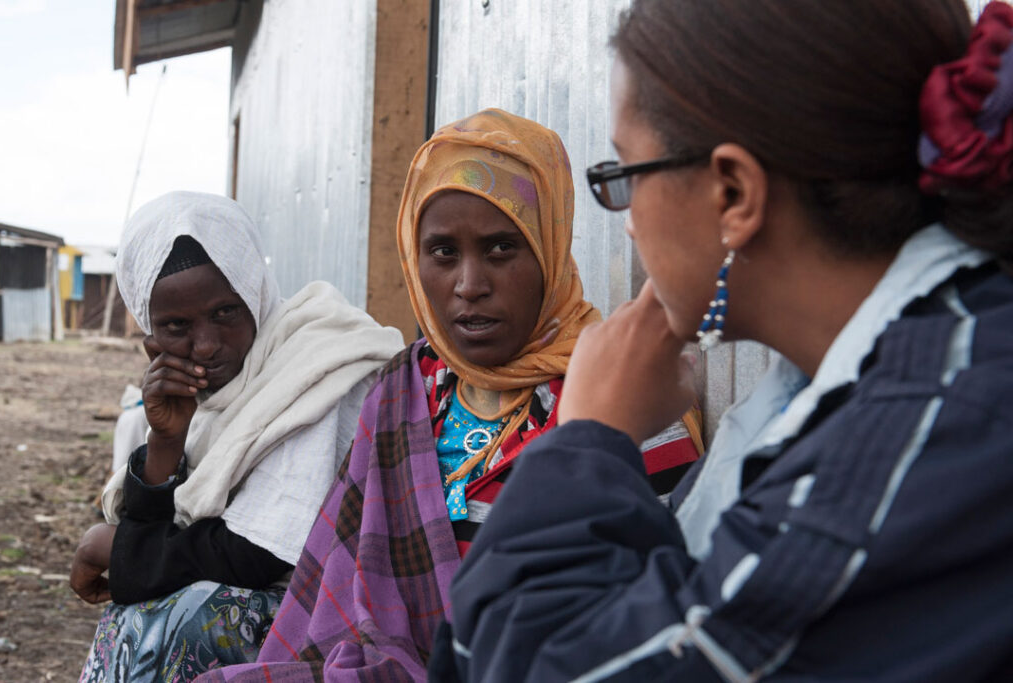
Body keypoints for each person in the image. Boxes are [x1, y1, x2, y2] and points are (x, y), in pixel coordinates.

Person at [431, 2, 1013, 681]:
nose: (627, 227)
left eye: (625, 176)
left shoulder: (927, 424)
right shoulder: (837, 386)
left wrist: (586, 436)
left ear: (734, 193)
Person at [198, 108, 703, 682]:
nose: (469, 285)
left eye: (500, 249)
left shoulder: (625, 395)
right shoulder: (403, 392)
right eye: (442, 253)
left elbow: (655, 615)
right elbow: (335, 591)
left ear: (551, 247)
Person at [70, 192, 404, 682]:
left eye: (226, 312)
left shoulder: (316, 362)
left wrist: (119, 550)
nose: (205, 345)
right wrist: (166, 440)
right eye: (177, 326)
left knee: (190, 616)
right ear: (151, 338)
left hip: (346, 613)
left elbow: (259, 553)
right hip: (276, 590)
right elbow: (166, 531)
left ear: (256, 294)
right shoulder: (214, 399)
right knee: (143, 607)